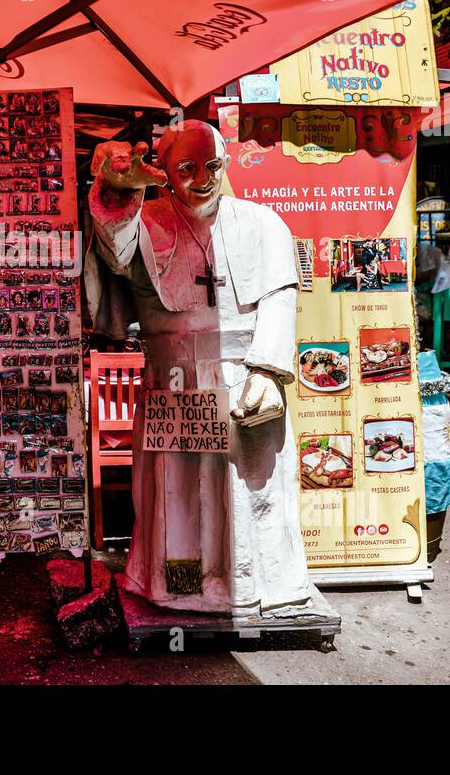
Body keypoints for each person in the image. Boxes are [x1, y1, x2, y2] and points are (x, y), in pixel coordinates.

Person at [86, 120, 316, 617]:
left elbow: (280, 296)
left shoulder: (262, 223)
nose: (202, 178)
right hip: (172, 382)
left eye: (212, 166)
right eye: (186, 168)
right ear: (165, 171)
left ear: (226, 164)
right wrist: (113, 190)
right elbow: (115, 249)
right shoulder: (147, 219)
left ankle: (263, 585)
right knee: (179, 496)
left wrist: (269, 372)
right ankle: (183, 586)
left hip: (243, 380)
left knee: (251, 489)